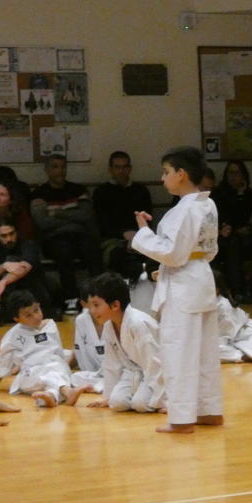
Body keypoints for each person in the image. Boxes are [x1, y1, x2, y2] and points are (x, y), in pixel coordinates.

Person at [131, 146, 222, 434]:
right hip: (201, 276)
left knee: (178, 350)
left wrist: (143, 233)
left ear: (181, 174)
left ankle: (182, 418)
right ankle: (209, 410)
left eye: (166, 172)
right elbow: (209, 250)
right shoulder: (207, 204)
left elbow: (172, 253)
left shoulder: (183, 210)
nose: (163, 178)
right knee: (205, 350)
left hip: (183, 284)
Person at [29, 154, 103, 313]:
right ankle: (71, 299)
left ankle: (100, 296)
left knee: (92, 249)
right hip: (53, 239)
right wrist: (73, 216)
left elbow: (86, 215)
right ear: (47, 170)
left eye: (63, 167)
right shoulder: (38, 194)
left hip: (79, 236)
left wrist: (56, 213)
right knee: (63, 251)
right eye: (55, 167)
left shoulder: (78, 190)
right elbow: (43, 222)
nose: (60, 171)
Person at [85, 272, 166, 413]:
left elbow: (155, 363)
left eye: (96, 305)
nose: (92, 311)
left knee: (141, 404)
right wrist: (108, 396)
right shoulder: (109, 326)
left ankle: (168, 398)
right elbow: (111, 364)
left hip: (160, 370)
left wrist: (162, 401)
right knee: (117, 403)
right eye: (91, 306)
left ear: (115, 305)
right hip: (134, 371)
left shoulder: (138, 323)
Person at [0, 290, 85, 408]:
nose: (36, 317)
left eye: (36, 310)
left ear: (39, 305)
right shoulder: (12, 336)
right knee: (52, 373)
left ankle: (49, 397)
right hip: (30, 374)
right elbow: (2, 365)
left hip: (55, 367)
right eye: (28, 315)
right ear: (17, 319)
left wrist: (64, 365)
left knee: (58, 366)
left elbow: (58, 353)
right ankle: (67, 391)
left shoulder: (50, 325)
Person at [210, 159, 252, 302]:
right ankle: (237, 289)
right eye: (230, 173)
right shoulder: (218, 193)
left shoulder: (249, 194)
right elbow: (224, 217)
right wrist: (232, 228)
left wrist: (240, 195)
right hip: (224, 233)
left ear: (243, 175)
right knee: (234, 244)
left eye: (237, 173)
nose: (233, 176)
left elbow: (243, 216)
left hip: (242, 231)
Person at [0, 218, 53, 326]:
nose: (9, 239)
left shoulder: (28, 245)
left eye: (11, 234)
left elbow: (24, 268)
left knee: (12, 259)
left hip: (31, 292)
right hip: (9, 295)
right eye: (4, 236)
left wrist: (3, 282)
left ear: (17, 232)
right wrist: (4, 266)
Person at [91, 151, 154, 283]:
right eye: (117, 167)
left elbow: (148, 219)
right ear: (110, 169)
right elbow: (101, 224)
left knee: (151, 256)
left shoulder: (140, 191)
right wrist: (124, 234)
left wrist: (137, 236)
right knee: (120, 255)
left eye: (125, 167)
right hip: (112, 240)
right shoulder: (101, 192)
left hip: (139, 236)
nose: (121, 171)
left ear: (130, 169)